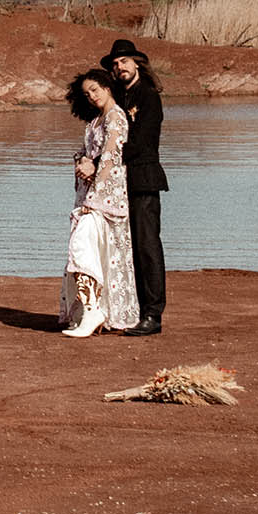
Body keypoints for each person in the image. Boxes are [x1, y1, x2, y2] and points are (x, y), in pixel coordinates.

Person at [57, 68, 140, 338]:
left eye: (95, 89)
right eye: (86, 93)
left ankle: (94, 311)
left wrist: (94, 197)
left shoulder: (116, 117)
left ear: (107, 87)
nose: (92, 96)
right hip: (90, 196)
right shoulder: (95, 120)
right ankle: (92, 311)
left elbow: (112, 158)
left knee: (82, 248)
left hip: (106, 199)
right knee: (91, 252)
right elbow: (89, 154)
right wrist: (82, 161)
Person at [102, 38, 166, 336]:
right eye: (115, 64)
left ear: (137, 63)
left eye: (124, 62)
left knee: (147, 248)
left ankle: (152, 315)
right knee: (124, 249)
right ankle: (130, 310)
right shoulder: (116, 97)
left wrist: (105, 159)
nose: (119, 67)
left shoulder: (149, 96)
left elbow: (142, 143)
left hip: (143, 180)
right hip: (118, 185)